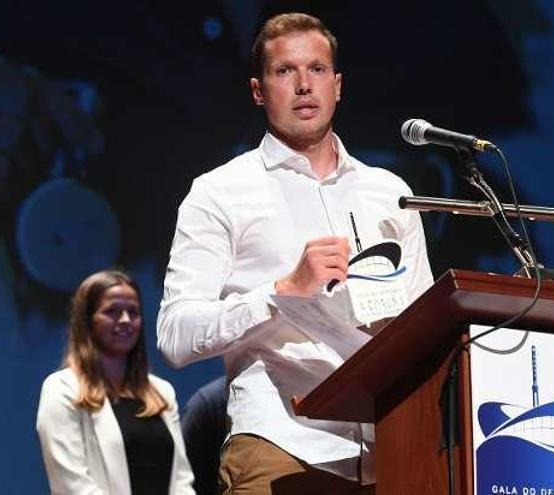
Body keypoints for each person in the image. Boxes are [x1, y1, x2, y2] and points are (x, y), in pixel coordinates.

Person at [157, 12, 433, 494]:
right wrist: (281, 293)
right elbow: (175, 335)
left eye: (318, 70)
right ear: (259, 91)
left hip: (393, 450)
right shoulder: (220, 191)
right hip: (282, 443)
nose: (304, 85)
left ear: (338, 85)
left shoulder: (390, 193)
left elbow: (425, 328)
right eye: (285, 71)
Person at [37, 269, 196, 494]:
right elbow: (72, 485)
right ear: (87, 321)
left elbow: (181, 481)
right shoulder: (62, 389)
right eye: (112, 311)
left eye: (133, 312)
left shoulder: (161, 392)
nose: (125, 320)